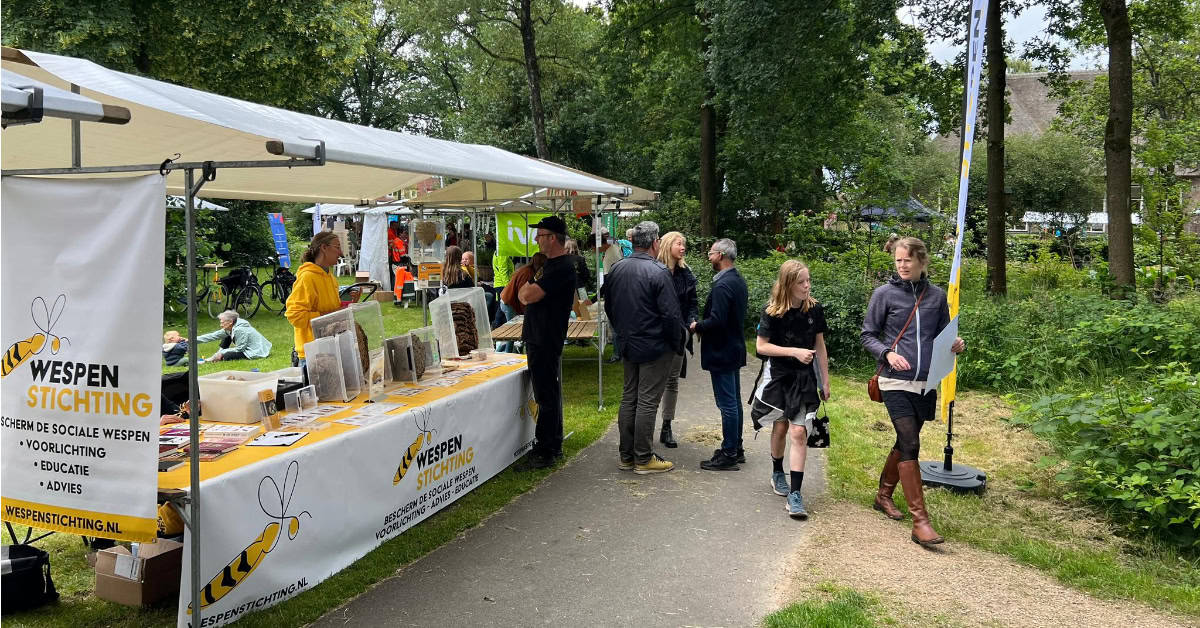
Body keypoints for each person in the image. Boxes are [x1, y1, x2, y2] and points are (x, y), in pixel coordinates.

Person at [861, 236, 965, 547]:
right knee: (911, 441)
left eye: (907, 260)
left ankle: (883, 495)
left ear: (921, 261)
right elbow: (868, 335)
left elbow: (945, 337)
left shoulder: (936, 298)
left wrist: (957, 345)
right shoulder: (884, 294)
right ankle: (920, 521)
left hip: (926, 382)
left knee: (904, 441)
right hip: (894, 381)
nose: (902, 265)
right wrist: (887, 353)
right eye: (898, 261)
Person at [750, 260, 830, 520]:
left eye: (809, 280)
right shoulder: (771, 312)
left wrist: (824, 381)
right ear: (788, 285)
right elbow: (761, 347)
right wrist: (793, 351)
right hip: (779, 377)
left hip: (804, 380)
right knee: (781, 426)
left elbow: (820, 346)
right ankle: (776, 471)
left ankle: (795, 495)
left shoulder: (814, 310)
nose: (807, 286)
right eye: (801, 282)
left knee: (798, 431)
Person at [603, 221, 683, 475]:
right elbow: (671, 315)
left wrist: (621, 332)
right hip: (654, 345)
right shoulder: (659, 272)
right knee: (647, 401)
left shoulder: (617, 268)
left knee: (630, 397)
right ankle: (643, 457)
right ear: (655, 242)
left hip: (629, 342)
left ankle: (627, 456)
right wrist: (676, 343)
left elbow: (609, 306)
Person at [518, 215, 577, 469]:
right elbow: (523, 295)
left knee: (545, 394)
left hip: (544, 337)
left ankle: (546, 449)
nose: (536, 240)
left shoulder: (560, 267)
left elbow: (527, 295)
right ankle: (551, 443)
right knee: (546, 392)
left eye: (540, 235)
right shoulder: (551, 266)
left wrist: (530, 287)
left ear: (552, 238)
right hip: (540, 335)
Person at [690, 238, 749, 471]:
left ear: (722, 255)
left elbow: (718, 320)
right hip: (732, 347)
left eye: (712, 253)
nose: (709, 257)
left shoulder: (724, 285)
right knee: (734, 401)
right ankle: (737, 447)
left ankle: (729, 453)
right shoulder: (737, 280)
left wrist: (697, 326)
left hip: (723, 350)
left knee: (727, 404)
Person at [654, 231, 698, 448]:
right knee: (654, 381)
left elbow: (693, 303)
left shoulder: (685, 274)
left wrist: (690, 323)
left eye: (684, 244)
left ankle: (667, 426)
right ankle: (645, 427)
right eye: (679, 243)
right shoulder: (654, 270)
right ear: (668, 244)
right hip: (656, 335)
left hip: (679, 335)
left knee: (672, 380)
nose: (683, 247)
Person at [286, 232, 348, 374]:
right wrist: (327, 316)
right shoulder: (307, 277)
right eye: (337, 247)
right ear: (324, 248)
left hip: (332, 348)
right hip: (313, 355)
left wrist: (346, 306)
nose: (341, 253)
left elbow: (330, 309)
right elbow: (295, 315)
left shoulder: (330, 277)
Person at [197, 310, 272, 362]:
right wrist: (193, 340)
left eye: (222, 323)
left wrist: (222, 353)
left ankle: (218, 356)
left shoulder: (240, 329)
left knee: (227, 356)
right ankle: (218, 355)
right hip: (245, 348)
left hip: (256, 351)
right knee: (226, 336)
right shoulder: (231, 327)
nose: (221, 325)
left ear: (230, 322)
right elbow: (213, 336)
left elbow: (240, 349)